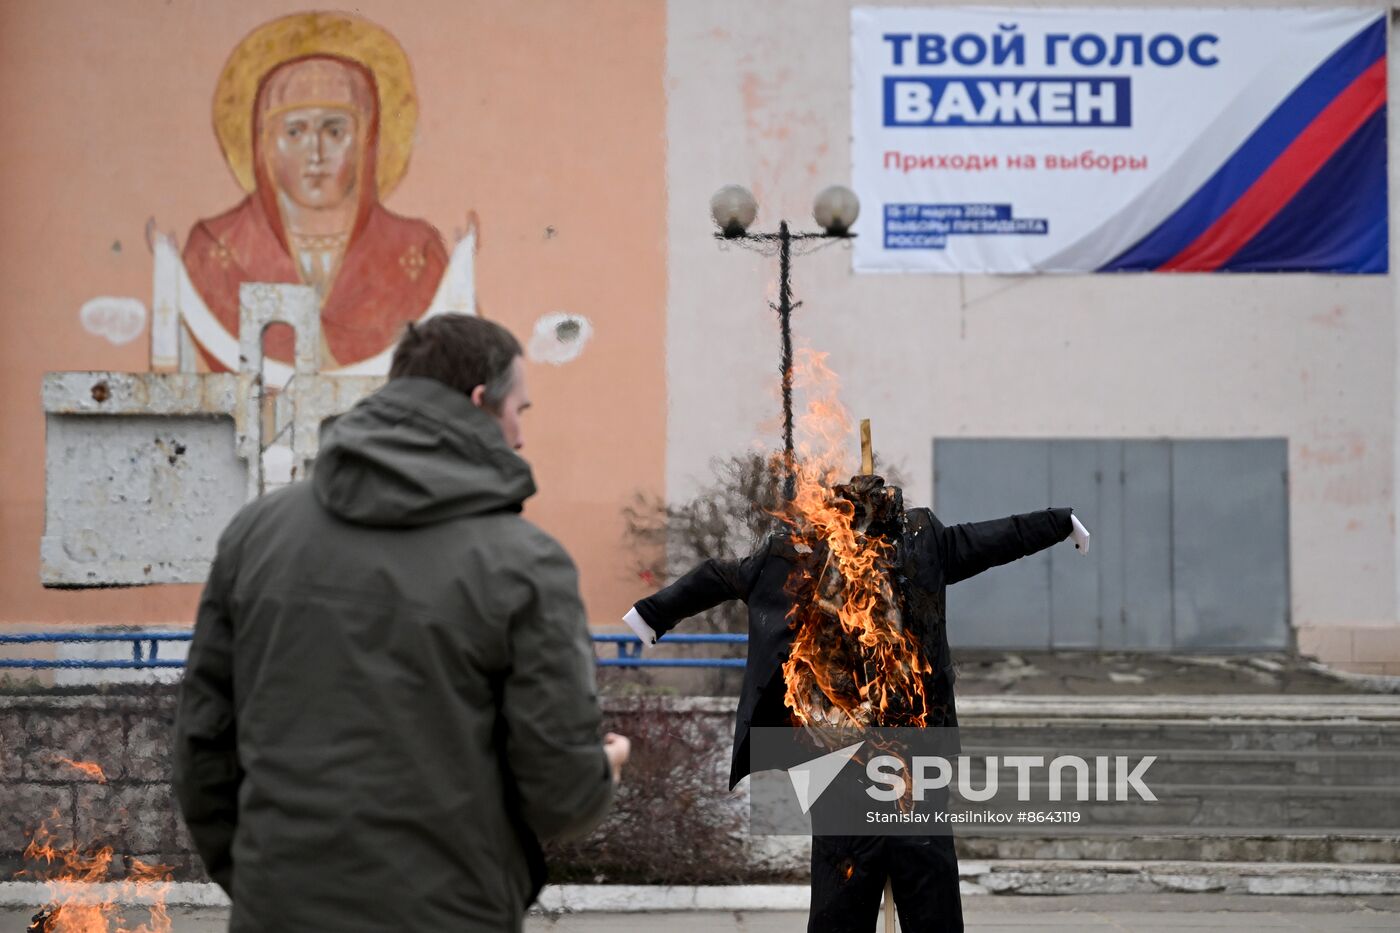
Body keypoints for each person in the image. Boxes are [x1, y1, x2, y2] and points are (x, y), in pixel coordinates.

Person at [174, 314, 627, 931]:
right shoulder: (525, 562)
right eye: (521, 408)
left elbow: (203, 748)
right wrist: (603, 769)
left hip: (276, 908)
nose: (520, 435)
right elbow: (561, 796)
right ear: (480, 403)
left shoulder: (257, 533)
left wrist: (257, 881)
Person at [624, 491, 1089, 932]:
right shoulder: (797, 555)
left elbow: (996, 537)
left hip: (910, 754)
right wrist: (652, 613)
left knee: (927, 898)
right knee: (843, 899)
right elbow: (718, 577)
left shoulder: (920, 542)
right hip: (839, 755)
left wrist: (1056, 522)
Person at [184, 12, 449, 369]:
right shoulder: (214, 251)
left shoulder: (418, 251)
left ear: (366, 143)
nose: (316, 153)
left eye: (335, 131)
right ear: (266, 146)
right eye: (295, 132)